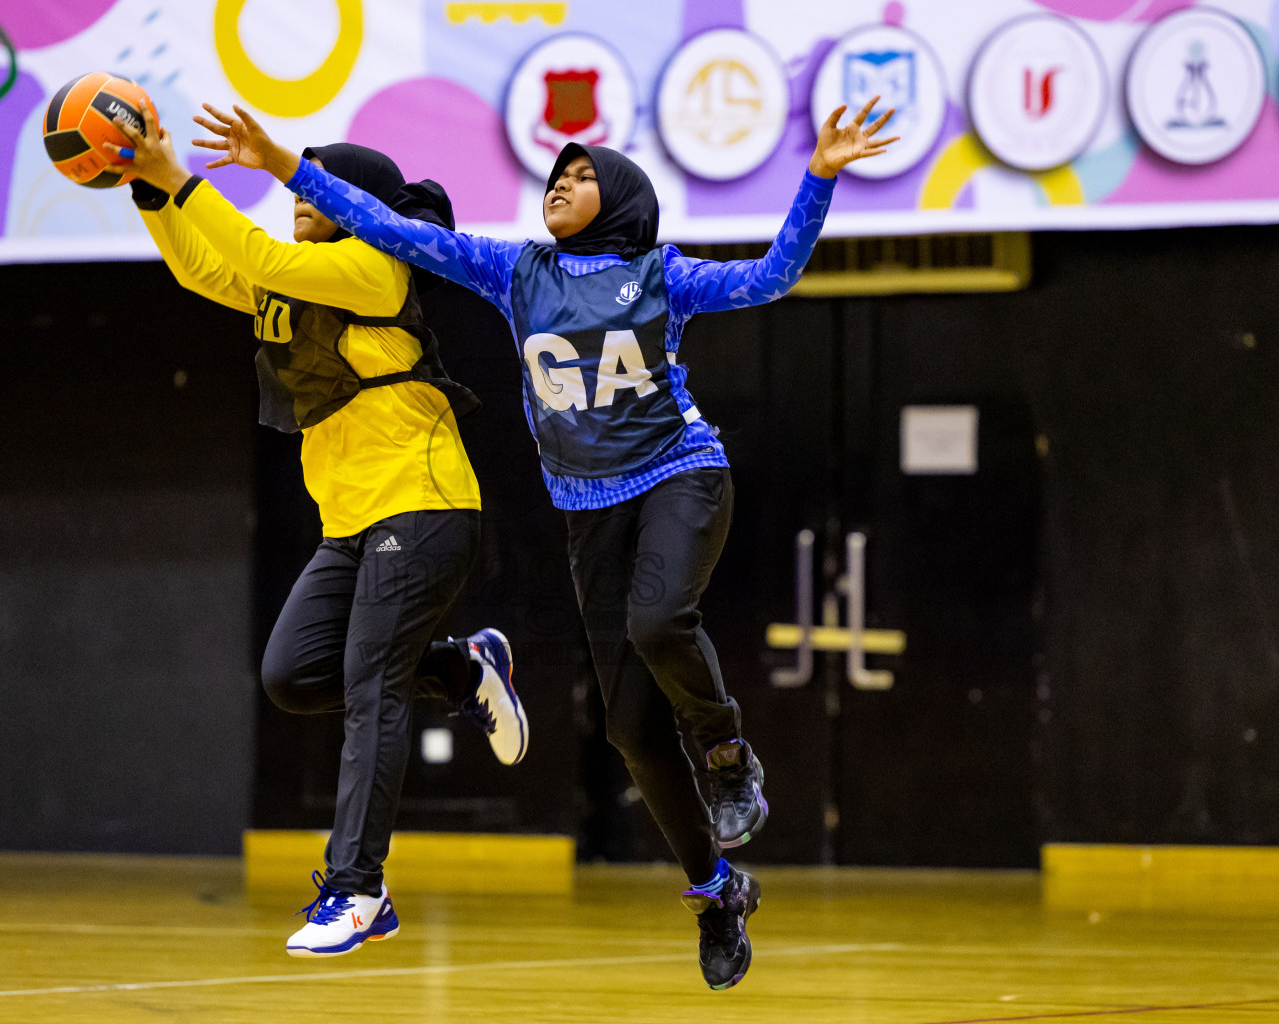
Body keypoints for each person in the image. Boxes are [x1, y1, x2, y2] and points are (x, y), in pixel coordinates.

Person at [191, 93, 895, 990]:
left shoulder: (660, 275)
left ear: (626, 198)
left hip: (681, 473)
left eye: (583, 174)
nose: (562, 181)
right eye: (556, 172)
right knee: (632, 733)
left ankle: (725, 755)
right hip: (587, 509)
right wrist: (288, 165)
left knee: (658, 622)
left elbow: (771, 277)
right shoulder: (518, 273)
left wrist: (819, 177)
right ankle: (718, 893)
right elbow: (401, 235)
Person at [108, 107, 530, 958]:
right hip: (351, 522)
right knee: (295, 676)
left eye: (317, 184)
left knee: (370, 684)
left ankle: (356, 889)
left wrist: (182, 176)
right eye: (300, 185)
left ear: (361, 204)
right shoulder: (296, 285)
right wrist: (148, 189)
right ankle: (460, 666)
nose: (299, 197)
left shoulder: (377, 271)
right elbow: (206, 270)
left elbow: (256, 254)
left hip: (423, 501)